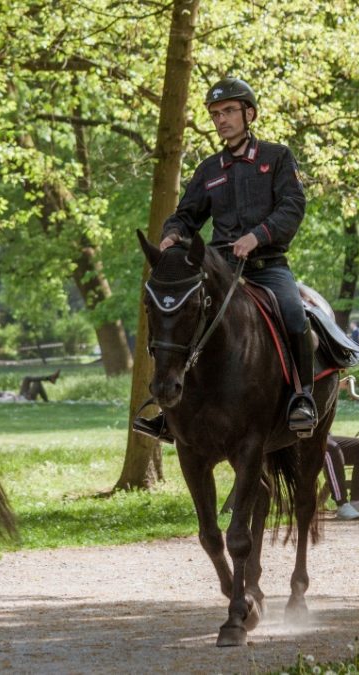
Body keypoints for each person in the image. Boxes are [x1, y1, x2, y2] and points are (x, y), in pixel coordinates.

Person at [134, 77, 314, 443]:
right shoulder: (209, 170)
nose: (221, 120)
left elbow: (292, 207)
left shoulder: (277, 158)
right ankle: (170, 412)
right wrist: (172, 234)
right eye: (215, 114)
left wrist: (258, 235)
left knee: (295, 315)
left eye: (229, 111)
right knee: (181, 317)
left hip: (268, 266)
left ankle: (302, 398)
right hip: (222, 268)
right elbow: (186, 215)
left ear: (250, 114)